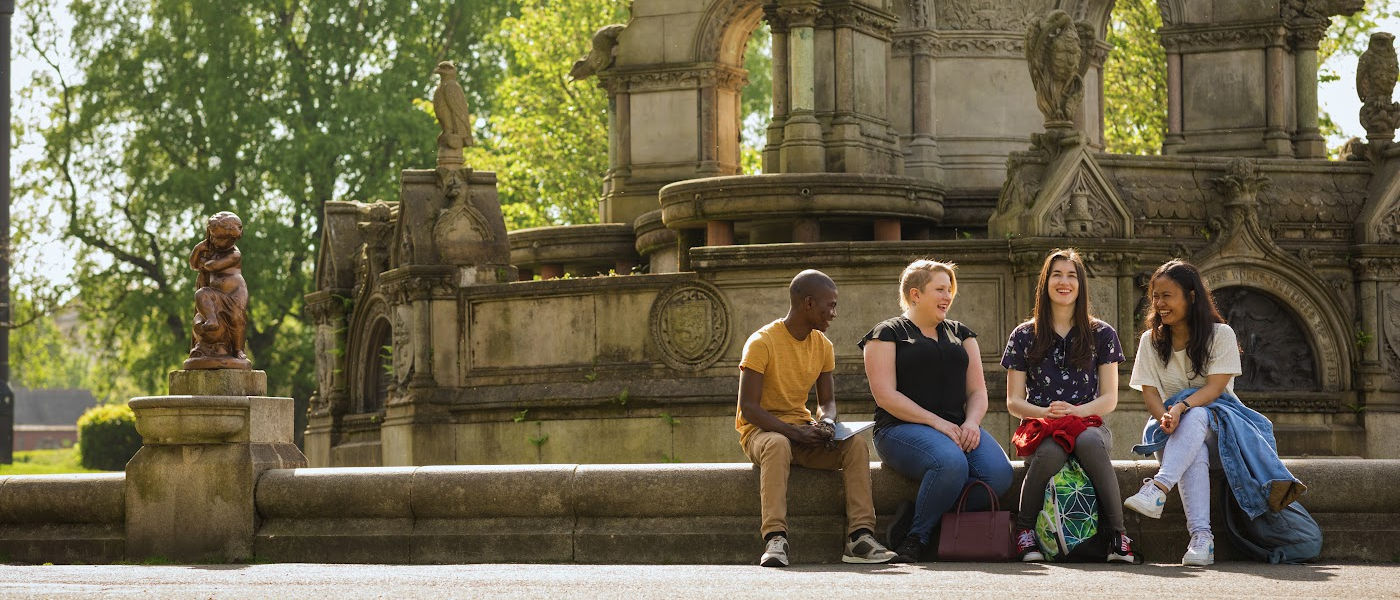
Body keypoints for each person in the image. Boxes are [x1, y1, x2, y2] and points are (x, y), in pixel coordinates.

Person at [1123, 260, 1306, 567]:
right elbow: (1150, 393)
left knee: (1197, 415)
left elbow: (1215, 390)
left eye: (1167, 295)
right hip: (1171, 431)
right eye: (1155, 296)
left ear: (1191, 296)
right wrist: (1165, 417)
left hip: (1224, 435)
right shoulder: (1151, 340)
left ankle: (1159, 487)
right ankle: (1201, 540)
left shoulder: (1220, 334)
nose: (1159, 303)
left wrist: (1180, 407)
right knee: (1191, 445)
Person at [737, 269, 897, 567]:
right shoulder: (761, 343)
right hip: (762, 432)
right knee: (777, 445)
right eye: (830, 305)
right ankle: (775, 539)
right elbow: (750, 408)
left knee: (854, 445)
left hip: (801, 430)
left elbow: (827, 402)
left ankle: (859, 538)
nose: (834, 313)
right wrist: (794, 433)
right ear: (808, 303)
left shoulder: (823, 346)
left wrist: (827, 423)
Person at [860, 259, 1013, 562]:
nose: (948, 296)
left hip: (958, 427)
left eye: (950, 290)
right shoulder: (886, 333)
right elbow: (885, 396)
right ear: (915, 294)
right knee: (950, 462)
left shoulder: (962, 334)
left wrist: (972, 422)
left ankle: (917, 514)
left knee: (999, 475)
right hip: (899, 429)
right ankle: (916, 537)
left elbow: (978, 391)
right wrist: (937, 423)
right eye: (940, 289)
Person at [1001, 249, 1135, 563]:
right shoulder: (1023, 335)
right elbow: (1013, 401)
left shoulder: (1102, 334)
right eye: (1057, 275)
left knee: (1088, 442)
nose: (1064, 282)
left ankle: (1118, 536)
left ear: (1081, 283)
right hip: (1041, 425)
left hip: (1087, 422)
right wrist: (1045, 413)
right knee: (1049, 451)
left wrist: (1077, 411)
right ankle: (1025, 532)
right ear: (1045, 283)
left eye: (1071, 275)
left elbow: (1109, 399)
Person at [186, 211, 250, 369]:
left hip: (234, 293)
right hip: (215, 293)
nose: (213, 241)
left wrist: (205, 262)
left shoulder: (235, 254)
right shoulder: (211, 250)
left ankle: (238, 350)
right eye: (212, 236)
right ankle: (212, 319)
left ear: (231, 238)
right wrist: (198, 248)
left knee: (237, 318)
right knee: (201, 294)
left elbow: (213, 266)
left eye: (218, 238)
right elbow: (193, 264)